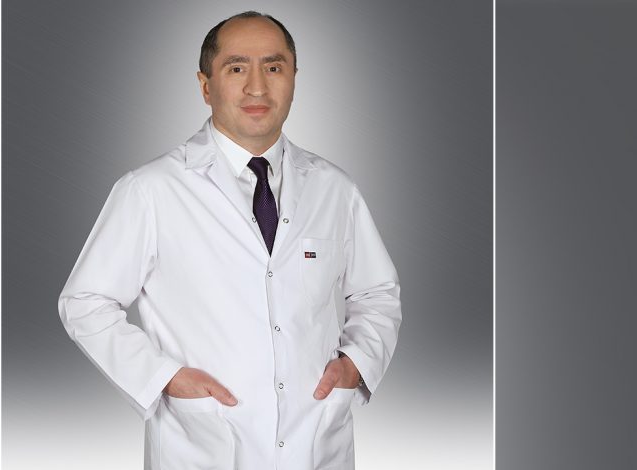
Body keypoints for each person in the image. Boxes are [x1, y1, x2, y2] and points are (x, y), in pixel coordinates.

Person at [58, 10, 401, 470]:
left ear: (294, 80)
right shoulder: (151, 190)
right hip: (202, 445)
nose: (257, 87)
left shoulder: (334, 189)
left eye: (274, 67)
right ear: (205, 86)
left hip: (316, 444)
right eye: (236, 68)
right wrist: (164, 378)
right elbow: (85, 302)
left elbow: (377, 293)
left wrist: (355, 363)